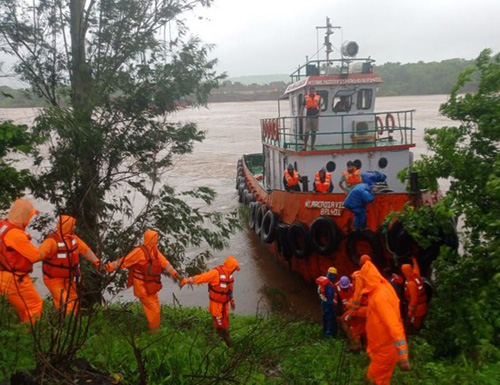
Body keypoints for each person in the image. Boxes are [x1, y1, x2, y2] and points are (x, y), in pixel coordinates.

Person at [105, 230, 180, 333]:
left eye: (156, 238)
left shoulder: (154, 250)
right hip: (142, 285)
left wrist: (175, 274)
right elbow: (124, 261)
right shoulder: (139, 252)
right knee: (154, 308)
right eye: (154, 238)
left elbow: (164, 263)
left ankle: (154, 329)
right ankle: (154, 330)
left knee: (155, 306)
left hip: (152, 285)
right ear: (150, 239)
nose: (156, 240)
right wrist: (108, 267)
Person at [360, 260, 411, 384]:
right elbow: (375, 313)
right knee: (378, 378)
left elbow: (394, 326)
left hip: (384, 349)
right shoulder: (381, 288)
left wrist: (403, 356)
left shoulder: (379, 297)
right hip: (381, 347)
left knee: (374, 379)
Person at [39, 215, 101, 314]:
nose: (74, 227)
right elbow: (37, 255)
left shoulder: (73, 239)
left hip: (69, 279)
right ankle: (63, 325)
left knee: (74, 302)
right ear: (67, 226)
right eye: (73, 225)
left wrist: (97, 262)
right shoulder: (51, 241)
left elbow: (86, 251)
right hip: (54, 279)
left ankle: (70, 325)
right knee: (64, 304)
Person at [0, 199, 45, 324]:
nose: (29, 220)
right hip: (15, 279)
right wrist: (48, 250)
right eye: (29, 216)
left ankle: (23, 330)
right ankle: (30, 338)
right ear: (23, 215)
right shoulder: (16, 234)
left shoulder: (3, 225)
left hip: (4, 275)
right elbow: (35, 256)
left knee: (24, 308)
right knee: (35, 305)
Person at [179, 256, 240, 347]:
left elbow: (229, 290)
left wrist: (232, 301)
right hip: (216, 305)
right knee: (221, 327)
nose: (235, 271)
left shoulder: (229, 275)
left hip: (224, 305)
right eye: (234, 269)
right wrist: (185, 280)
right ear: (231, 267)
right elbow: (200, 278)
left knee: (225, 324)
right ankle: (227, 345)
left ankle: (222, 341)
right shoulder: (215, 273)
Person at [401, 257, 427, 333]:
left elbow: (414, 300)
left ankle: (415, 334)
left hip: (417, 308)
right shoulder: (416, 274)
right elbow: (416, 267)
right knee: (418, 321)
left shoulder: (411, 284)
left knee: (415, 323)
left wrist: (410, 312)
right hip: (422, 305)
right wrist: (414, 260)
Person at [315, 267, 338, 338]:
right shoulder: (328, 285)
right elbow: (330, 297)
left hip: (323, 303)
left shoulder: (322, 282)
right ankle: (329, 336)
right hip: (328, 305)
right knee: (330, 319)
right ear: (334, 275)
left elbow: (319, 293)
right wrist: (332, 308)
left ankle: (325, 333)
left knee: (325, 318)